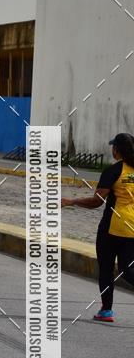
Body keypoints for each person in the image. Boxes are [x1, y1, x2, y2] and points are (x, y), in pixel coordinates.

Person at [61, 132, 134, 322]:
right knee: (127, 269)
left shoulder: (113, 171)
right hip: (132, 228)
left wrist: (72, 201)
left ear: (117, 150)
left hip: (112, 227)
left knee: (106, 268)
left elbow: (96, 201)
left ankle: (106, 310)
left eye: (113, 147)